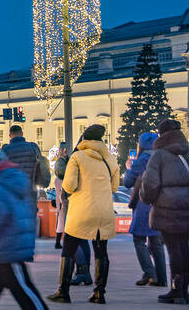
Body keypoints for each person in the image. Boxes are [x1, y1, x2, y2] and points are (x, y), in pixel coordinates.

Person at [47, 124, 118, 304]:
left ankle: (63, 291)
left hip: (82, 211)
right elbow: (114, 187)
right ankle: (99, 293)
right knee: (101, 251)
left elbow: (69, 185)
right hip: (104, 211)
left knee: (69, 249)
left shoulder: (78, 157)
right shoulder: (111, 159)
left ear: (84, 140)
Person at [0, 148, 48, 310]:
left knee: (25, 293)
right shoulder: (14, 181)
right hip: (6, 249)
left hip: (9, 250)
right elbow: (14, 210)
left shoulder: (0, 188)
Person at [141, 119, 189, 304]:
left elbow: (151, 185)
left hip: (168, 211)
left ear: (161, 134)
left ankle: (176, 290)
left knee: (174, 249)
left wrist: (147, 198)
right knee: (185, 248)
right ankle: (184, 290)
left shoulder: (159, 155)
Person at [123, 131, 167, 287]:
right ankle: (161, 278)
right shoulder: (162, 158)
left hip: (143, 205)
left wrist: (129, 167)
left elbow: (128, 182)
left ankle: (149, 273)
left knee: (139, 240)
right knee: (156, 242)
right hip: (159, 204)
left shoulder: (141, 161)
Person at [54, 138, 92, 286]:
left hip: (74, 202)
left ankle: (82, 272)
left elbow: (61, 173)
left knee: (72, 240)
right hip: (87, 201)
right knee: (83, 240)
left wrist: (61, 159)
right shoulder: (95, 157)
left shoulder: (76, 157)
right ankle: (86, 273)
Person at [2, 125, 51, 199]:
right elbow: (41, 165)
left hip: (12, 192)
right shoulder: (33, 147)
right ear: (22, 134)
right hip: (30, 190)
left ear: (10, 135)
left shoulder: (6, 150)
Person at [53, 143, 67, 249]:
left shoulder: (58, 178)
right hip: (64, 201)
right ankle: (59, 242)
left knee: (61, 222)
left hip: (61, 202)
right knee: (62, 223)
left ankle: (58, 242)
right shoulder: (62, 179)